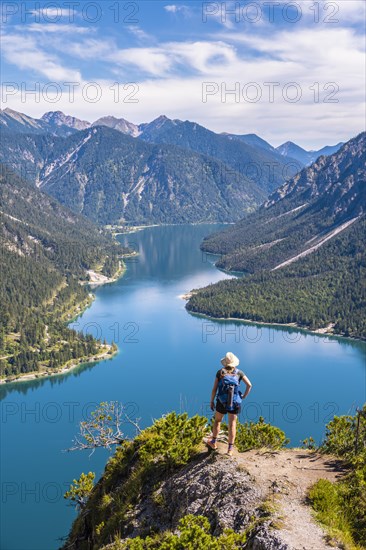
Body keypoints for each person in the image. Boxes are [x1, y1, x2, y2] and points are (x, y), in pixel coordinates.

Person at [207, 352, 252, 456]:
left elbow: (214, 389)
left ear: (225, 363)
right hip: (235, 402)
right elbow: (249, 385)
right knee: (232, 424)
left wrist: (212, 401)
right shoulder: (239, 373)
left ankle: (213, 442)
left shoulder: (220, 373)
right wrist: (243, 396)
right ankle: (230, 449)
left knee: (217, 421)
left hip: (221, 401)